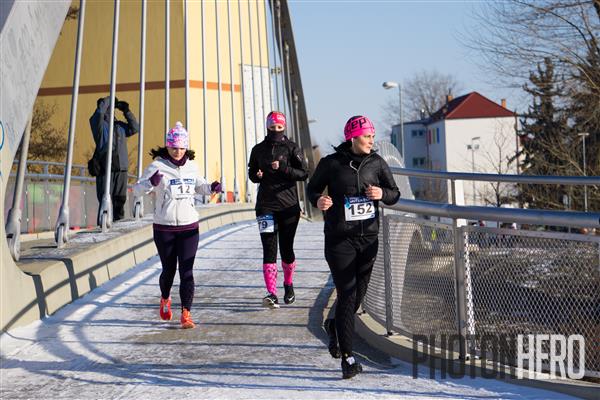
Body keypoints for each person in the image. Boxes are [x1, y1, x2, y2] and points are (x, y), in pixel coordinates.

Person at [307, 115, 400, 379]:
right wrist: (319, 201)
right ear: (353, 137)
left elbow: (394, 193)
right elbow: (312, 190)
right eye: (367, 136)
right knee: (347, 294)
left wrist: (382, 194)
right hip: (340, 240)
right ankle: (348, 357)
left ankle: (333, 324)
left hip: (368, 239)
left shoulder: (377, 163)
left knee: (358, 294)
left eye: (372, 136)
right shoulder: (331, 163)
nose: (372, 140)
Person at [133, 122, 221, 329]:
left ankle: (186, 314)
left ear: (186, 148)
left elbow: (200, 186)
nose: (178, 152)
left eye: (182, 148)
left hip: (189, 226)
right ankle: (165, 298)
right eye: (174, 148)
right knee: (169, 270)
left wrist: (212, 187)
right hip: (164, 228)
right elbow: (136, 190)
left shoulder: (192, 166)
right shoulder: (157, 166)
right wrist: (151, 183)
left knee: (187, 271)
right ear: (168, 146)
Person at [248, 111, 308, 309]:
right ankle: (271, 293)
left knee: (286, 248)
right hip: (265, 206)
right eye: (273, 127)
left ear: (284, 127)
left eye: (279, 127)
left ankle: (288, 285)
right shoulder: (258, 149)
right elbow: (252, 173)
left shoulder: (292, 148)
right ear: (267, 127)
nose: (276, 130)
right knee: (269, 249)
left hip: (288, 207)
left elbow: (304, 173)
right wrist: (256, 175)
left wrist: (283, 168)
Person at [89, 96, 139, 222]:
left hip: (121, 167)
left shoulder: (118, 125)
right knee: (105, 200)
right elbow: (100, 112)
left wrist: (126, 111)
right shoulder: (98, 124)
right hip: (106, 168)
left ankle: (118, 224)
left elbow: (135, 128)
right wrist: (110, 98)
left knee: (120, 201)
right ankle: (103, 225)